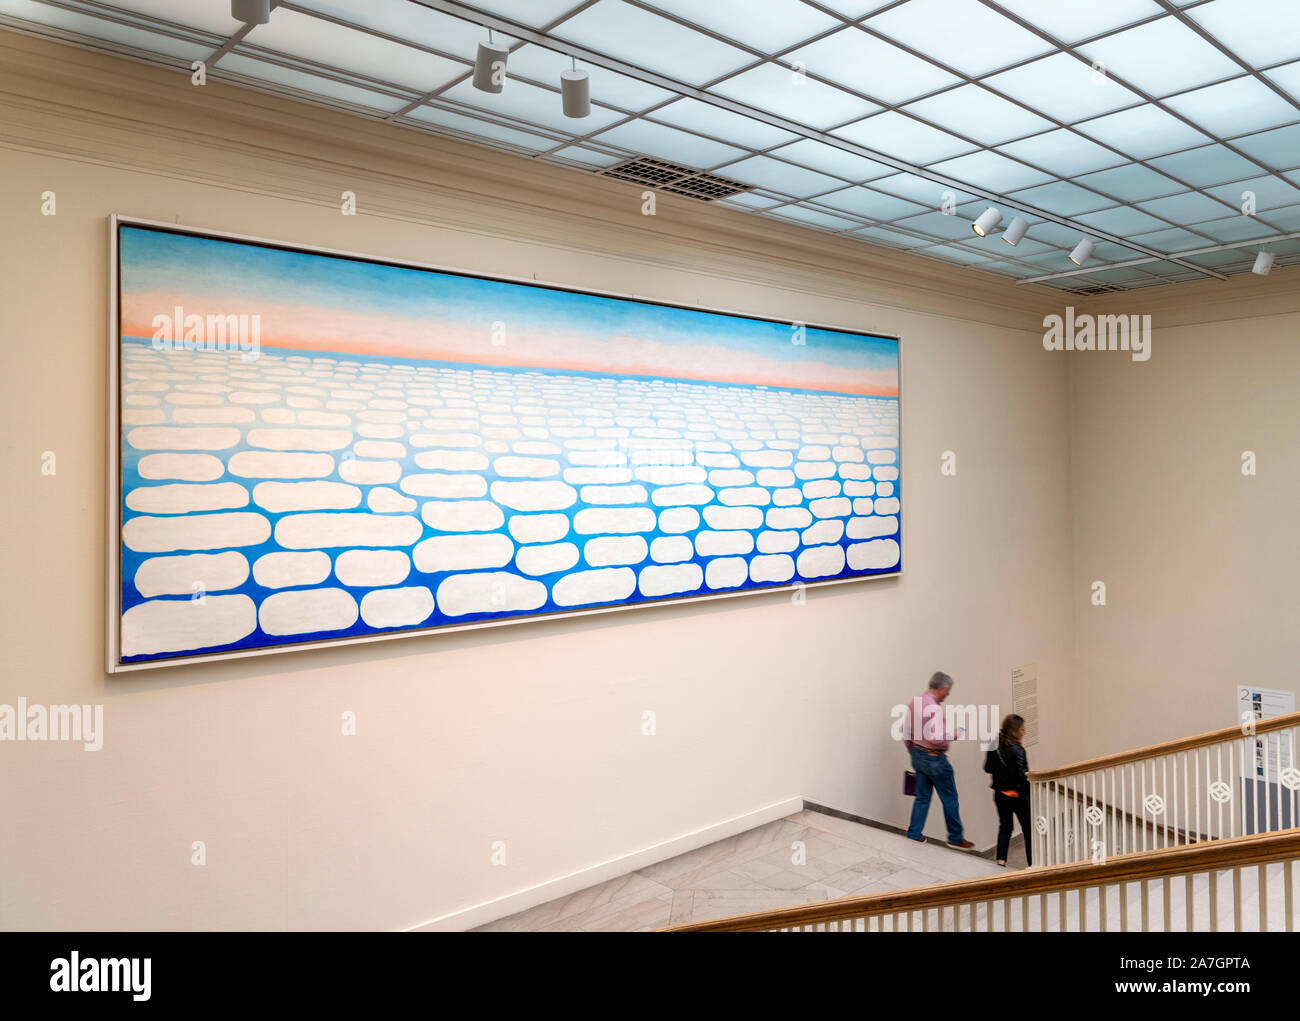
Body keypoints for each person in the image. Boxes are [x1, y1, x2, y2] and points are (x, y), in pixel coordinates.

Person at [903, 672, 975, 850]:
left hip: (918, 754)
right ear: (941, 688)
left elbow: (906, 731)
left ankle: (913, 834)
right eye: (948, 691)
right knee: (950, 797)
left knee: (922, 798)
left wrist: (913, 752)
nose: (948, 694)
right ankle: (955, 837)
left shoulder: (915, 702)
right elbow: (936, 738)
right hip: (935, 759)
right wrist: (955, 734)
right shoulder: (934, 709)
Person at [985, 714, 1032, 867]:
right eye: (1022, 729)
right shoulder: (1018, 750)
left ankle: (1000, 860)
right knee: (1028, 830)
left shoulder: (993, 744)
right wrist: (1028, 793)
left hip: (1000, 795)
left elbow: (987, 768)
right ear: (1014, 731)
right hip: (1018, 797)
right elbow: (1022, 775)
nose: (1024, 732)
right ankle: (1032, 864)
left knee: (1005, 827)